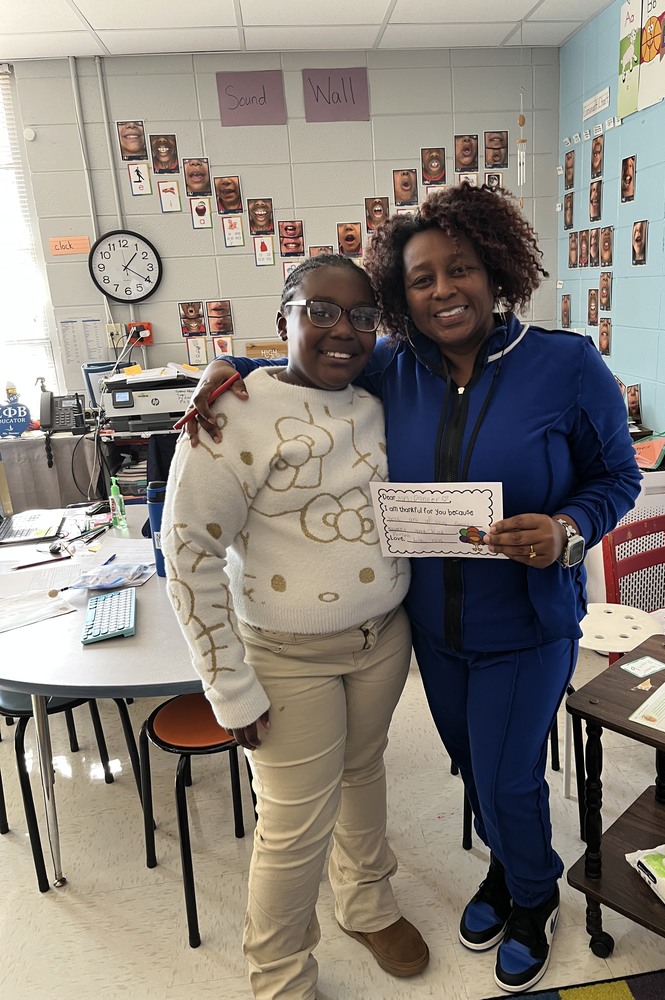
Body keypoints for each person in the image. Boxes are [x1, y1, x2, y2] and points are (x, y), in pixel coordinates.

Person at [182, 183, 641, 995]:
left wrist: (568, 530)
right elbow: (314, 358)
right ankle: (505, 870)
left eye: (458, 269)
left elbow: (617, 476)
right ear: (402, 298)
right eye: (421, 279)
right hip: (430, 629)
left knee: (507, 777)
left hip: (528, 622)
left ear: (495, 272)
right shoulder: (394, 367)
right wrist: (231, 367)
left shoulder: (566, 364)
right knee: (475, 767)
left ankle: (535, 897)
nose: (442, 291)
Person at [162, 255, 429, 1000]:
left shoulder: (374, 394)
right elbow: (188, 556)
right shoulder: (228, 414)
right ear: (283, 314)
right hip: (285, 655)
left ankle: (367, 902)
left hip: (382, 637)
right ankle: (279, 977)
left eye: (362, 317)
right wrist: (229, 690)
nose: (343, 331)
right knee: (294, 825)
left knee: (363, 773)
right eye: (319, 311)